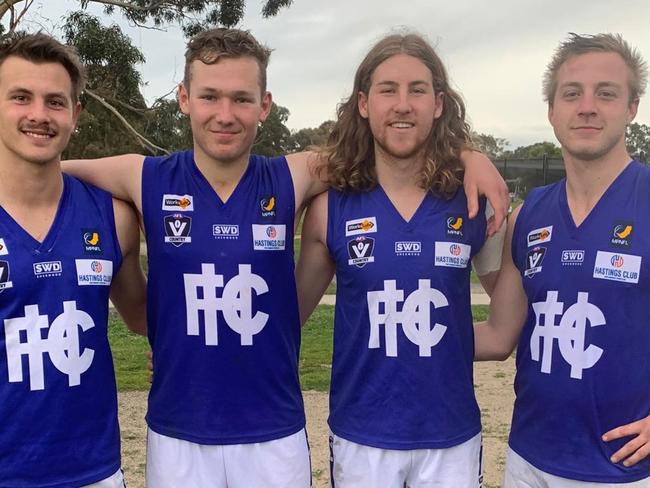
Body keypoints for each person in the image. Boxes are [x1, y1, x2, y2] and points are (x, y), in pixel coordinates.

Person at [63, 28, 508, 487]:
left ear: (265, 105)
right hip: (178, 430)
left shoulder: (294, 176)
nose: (225, 114)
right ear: (183, 98)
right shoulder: (143, 177)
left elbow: (393, 138)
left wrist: (467, 152)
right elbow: (48, 165)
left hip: (273, 432)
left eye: (241, 98)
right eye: (210, 96)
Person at [296, 32, 504, 488]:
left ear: (439, 103)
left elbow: (506, 331)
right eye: (388, 89)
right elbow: (286, 321)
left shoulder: (473, 202)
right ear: (364, 103)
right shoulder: (330, 208)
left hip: (451, 440)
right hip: (361, 439)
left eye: (418, 90)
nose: (403, 104)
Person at [475, 33, 650, 486]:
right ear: (552, 111)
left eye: (606, 93)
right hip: (528, 459)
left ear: (632, 107)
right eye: (572, 94)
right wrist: (387, 342)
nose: (587, 106)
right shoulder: (529, 214)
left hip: (622, 469)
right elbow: (497, 336)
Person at [0, 32, 146, 487]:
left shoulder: (113, 216)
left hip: (94, 471)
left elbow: (144, 318)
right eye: (21, 97)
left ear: (75, 113)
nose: (39, 115)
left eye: (55, 101)